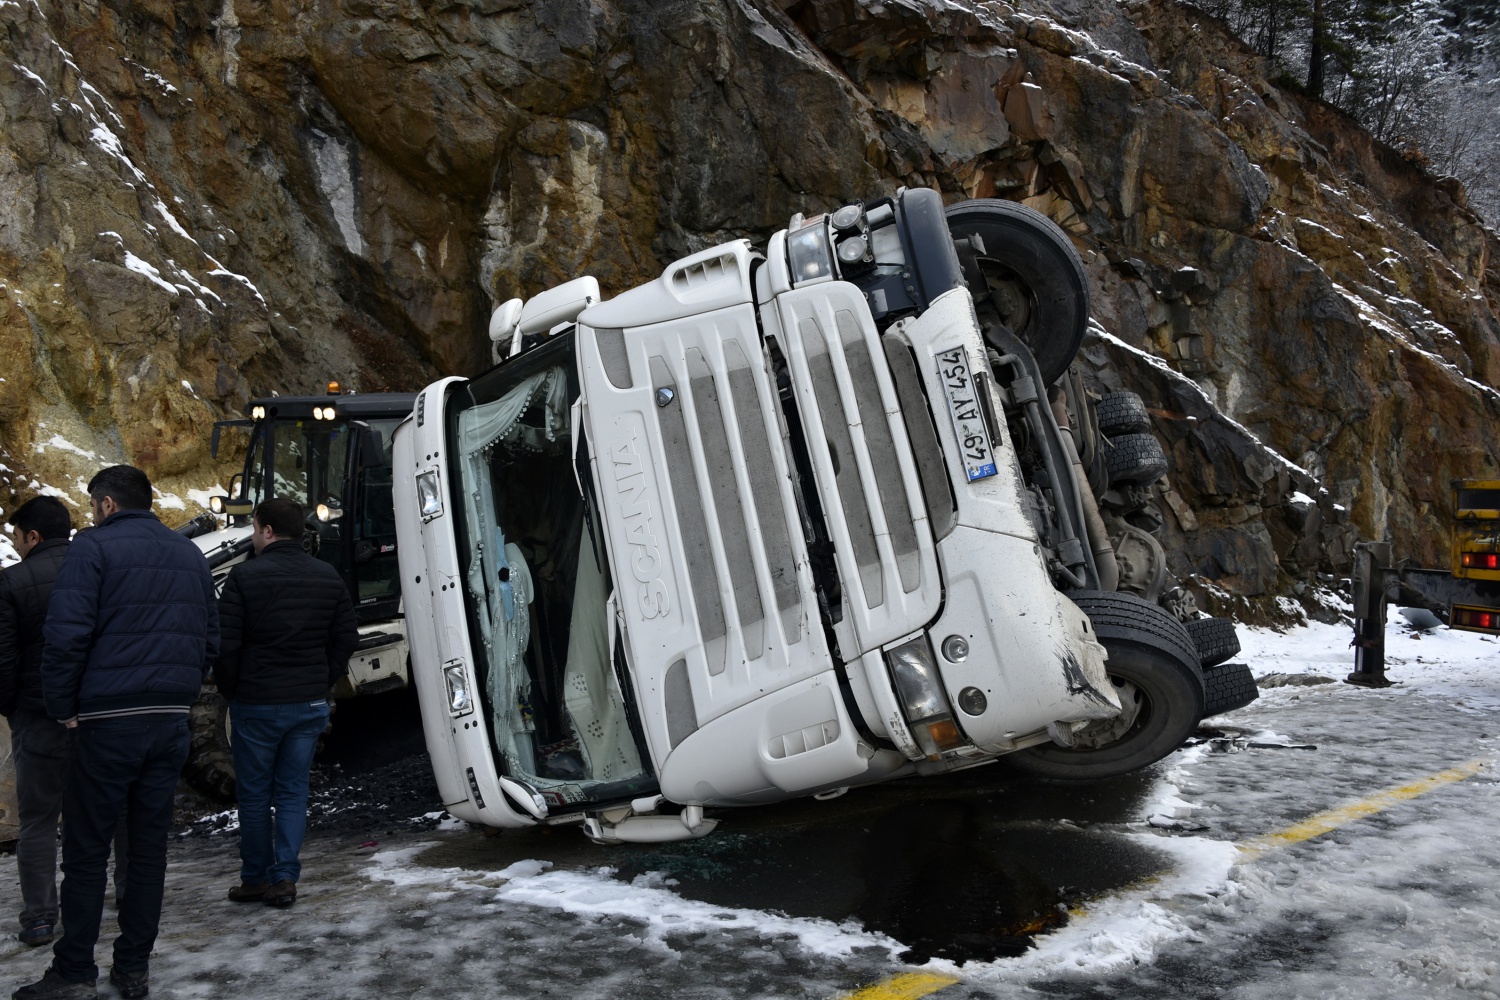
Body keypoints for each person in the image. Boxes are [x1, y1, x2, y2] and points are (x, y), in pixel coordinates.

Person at [14, 466, 217, 1000]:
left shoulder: (93, 550)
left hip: (106, 724)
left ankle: (75, 969)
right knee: (147, 852)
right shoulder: (189, 553)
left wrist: (64, 707)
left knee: (85, 851)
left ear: (105, 505)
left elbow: (66, 636)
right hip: (169, 722)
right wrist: (180, 690)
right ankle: (133, 969)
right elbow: (210, 637)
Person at [216, 497, 356, 908]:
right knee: (293, 791)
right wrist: (321, 679)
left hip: (256, 703)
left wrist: (233, 690)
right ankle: (285, 878)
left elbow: (226, 647)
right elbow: (346, 638)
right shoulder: (328, 576)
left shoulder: (244, 579)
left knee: (256, 794)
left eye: (255, 529)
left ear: (267, 530)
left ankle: (255, 878)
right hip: (308, 704)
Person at [0, 497, 73, 948]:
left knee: (39, 820)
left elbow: (4, 661)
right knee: (108, 814)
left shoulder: (13, 581)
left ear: (33, 536)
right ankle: (123, 900)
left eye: (15, 536)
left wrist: (13, 709)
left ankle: (41, 917)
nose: (14, 545)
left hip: (38, 715)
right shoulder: (101, 570)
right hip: (98, 716)